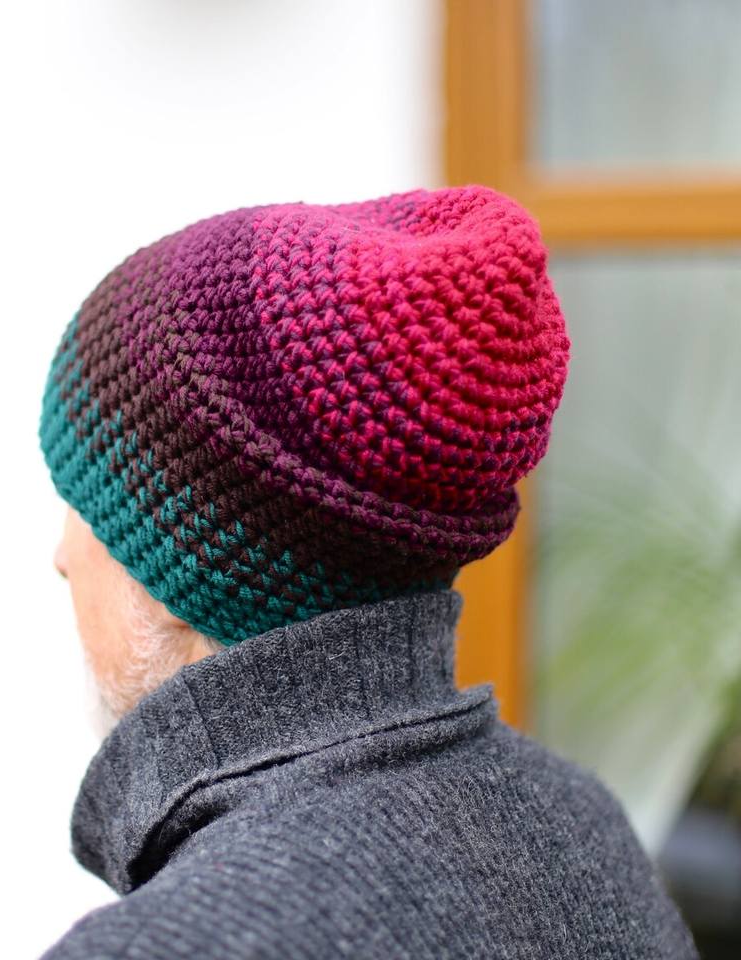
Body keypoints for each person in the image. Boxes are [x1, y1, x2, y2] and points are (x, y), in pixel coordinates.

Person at [37, 184, 699, 959]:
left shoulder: (164, 946)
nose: (61, 558)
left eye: (81, 504)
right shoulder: (584, 834)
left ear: (179, 557)